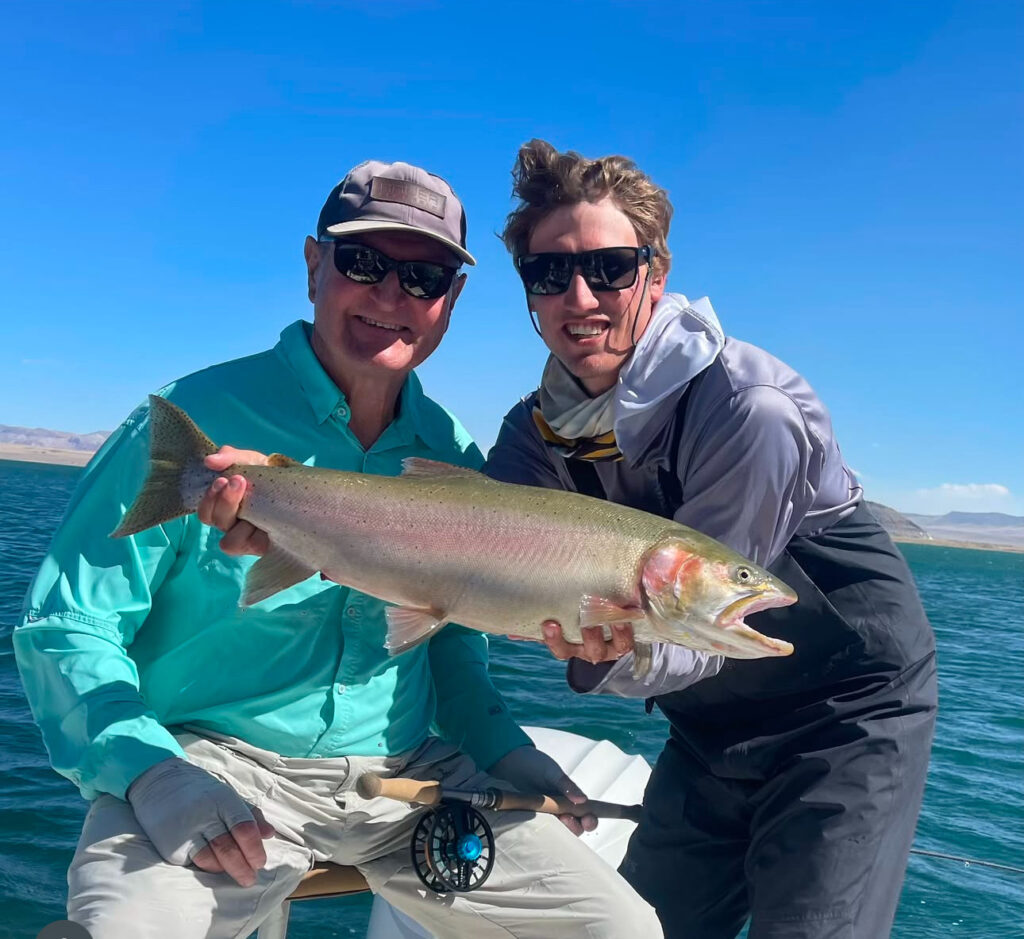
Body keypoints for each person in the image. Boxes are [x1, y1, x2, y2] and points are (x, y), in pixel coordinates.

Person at [13, 159, 661, 939]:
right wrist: (152, 771)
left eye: (423, 278)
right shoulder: (197, 422)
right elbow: (68, 627)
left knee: (621, 929)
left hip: (410, 781)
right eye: (364, 262)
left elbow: (449, 640)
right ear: (315, 265)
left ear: (449, 303)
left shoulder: (446, 450)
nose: (392, 295)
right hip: (218, 769)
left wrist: (501, 745)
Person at [481, 140, 938, 939]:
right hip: (705, 727)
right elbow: (462, 533)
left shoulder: (745, 407)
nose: (579, 295)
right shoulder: (533, 433)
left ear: (656, 273)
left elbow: (702, 622)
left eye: (610, 268)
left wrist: (604, 653)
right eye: (549, 273)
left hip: (844, 718)